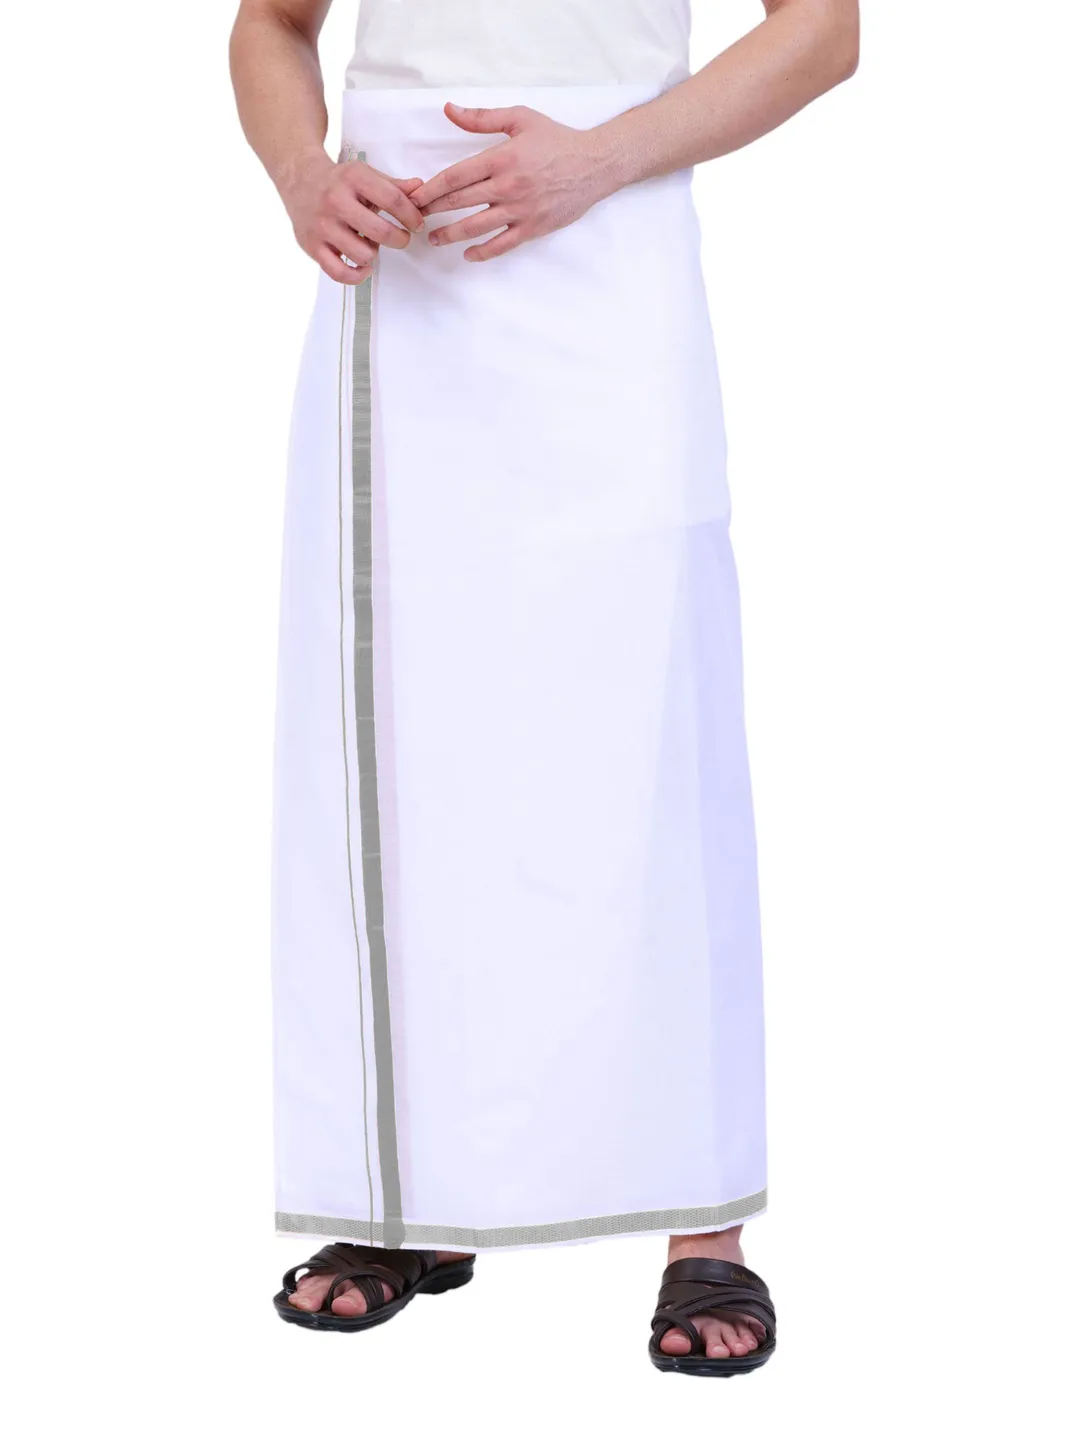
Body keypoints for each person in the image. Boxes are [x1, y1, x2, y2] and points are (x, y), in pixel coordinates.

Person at [230, 0, 858, 1377]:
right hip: (403, 302)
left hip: (609, 264)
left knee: (647, 739)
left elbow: (823, 31)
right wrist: (304, 177)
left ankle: (702, 1221)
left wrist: (599, 157)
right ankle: (400, 1198)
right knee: (399, 755)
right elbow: (271, 25)